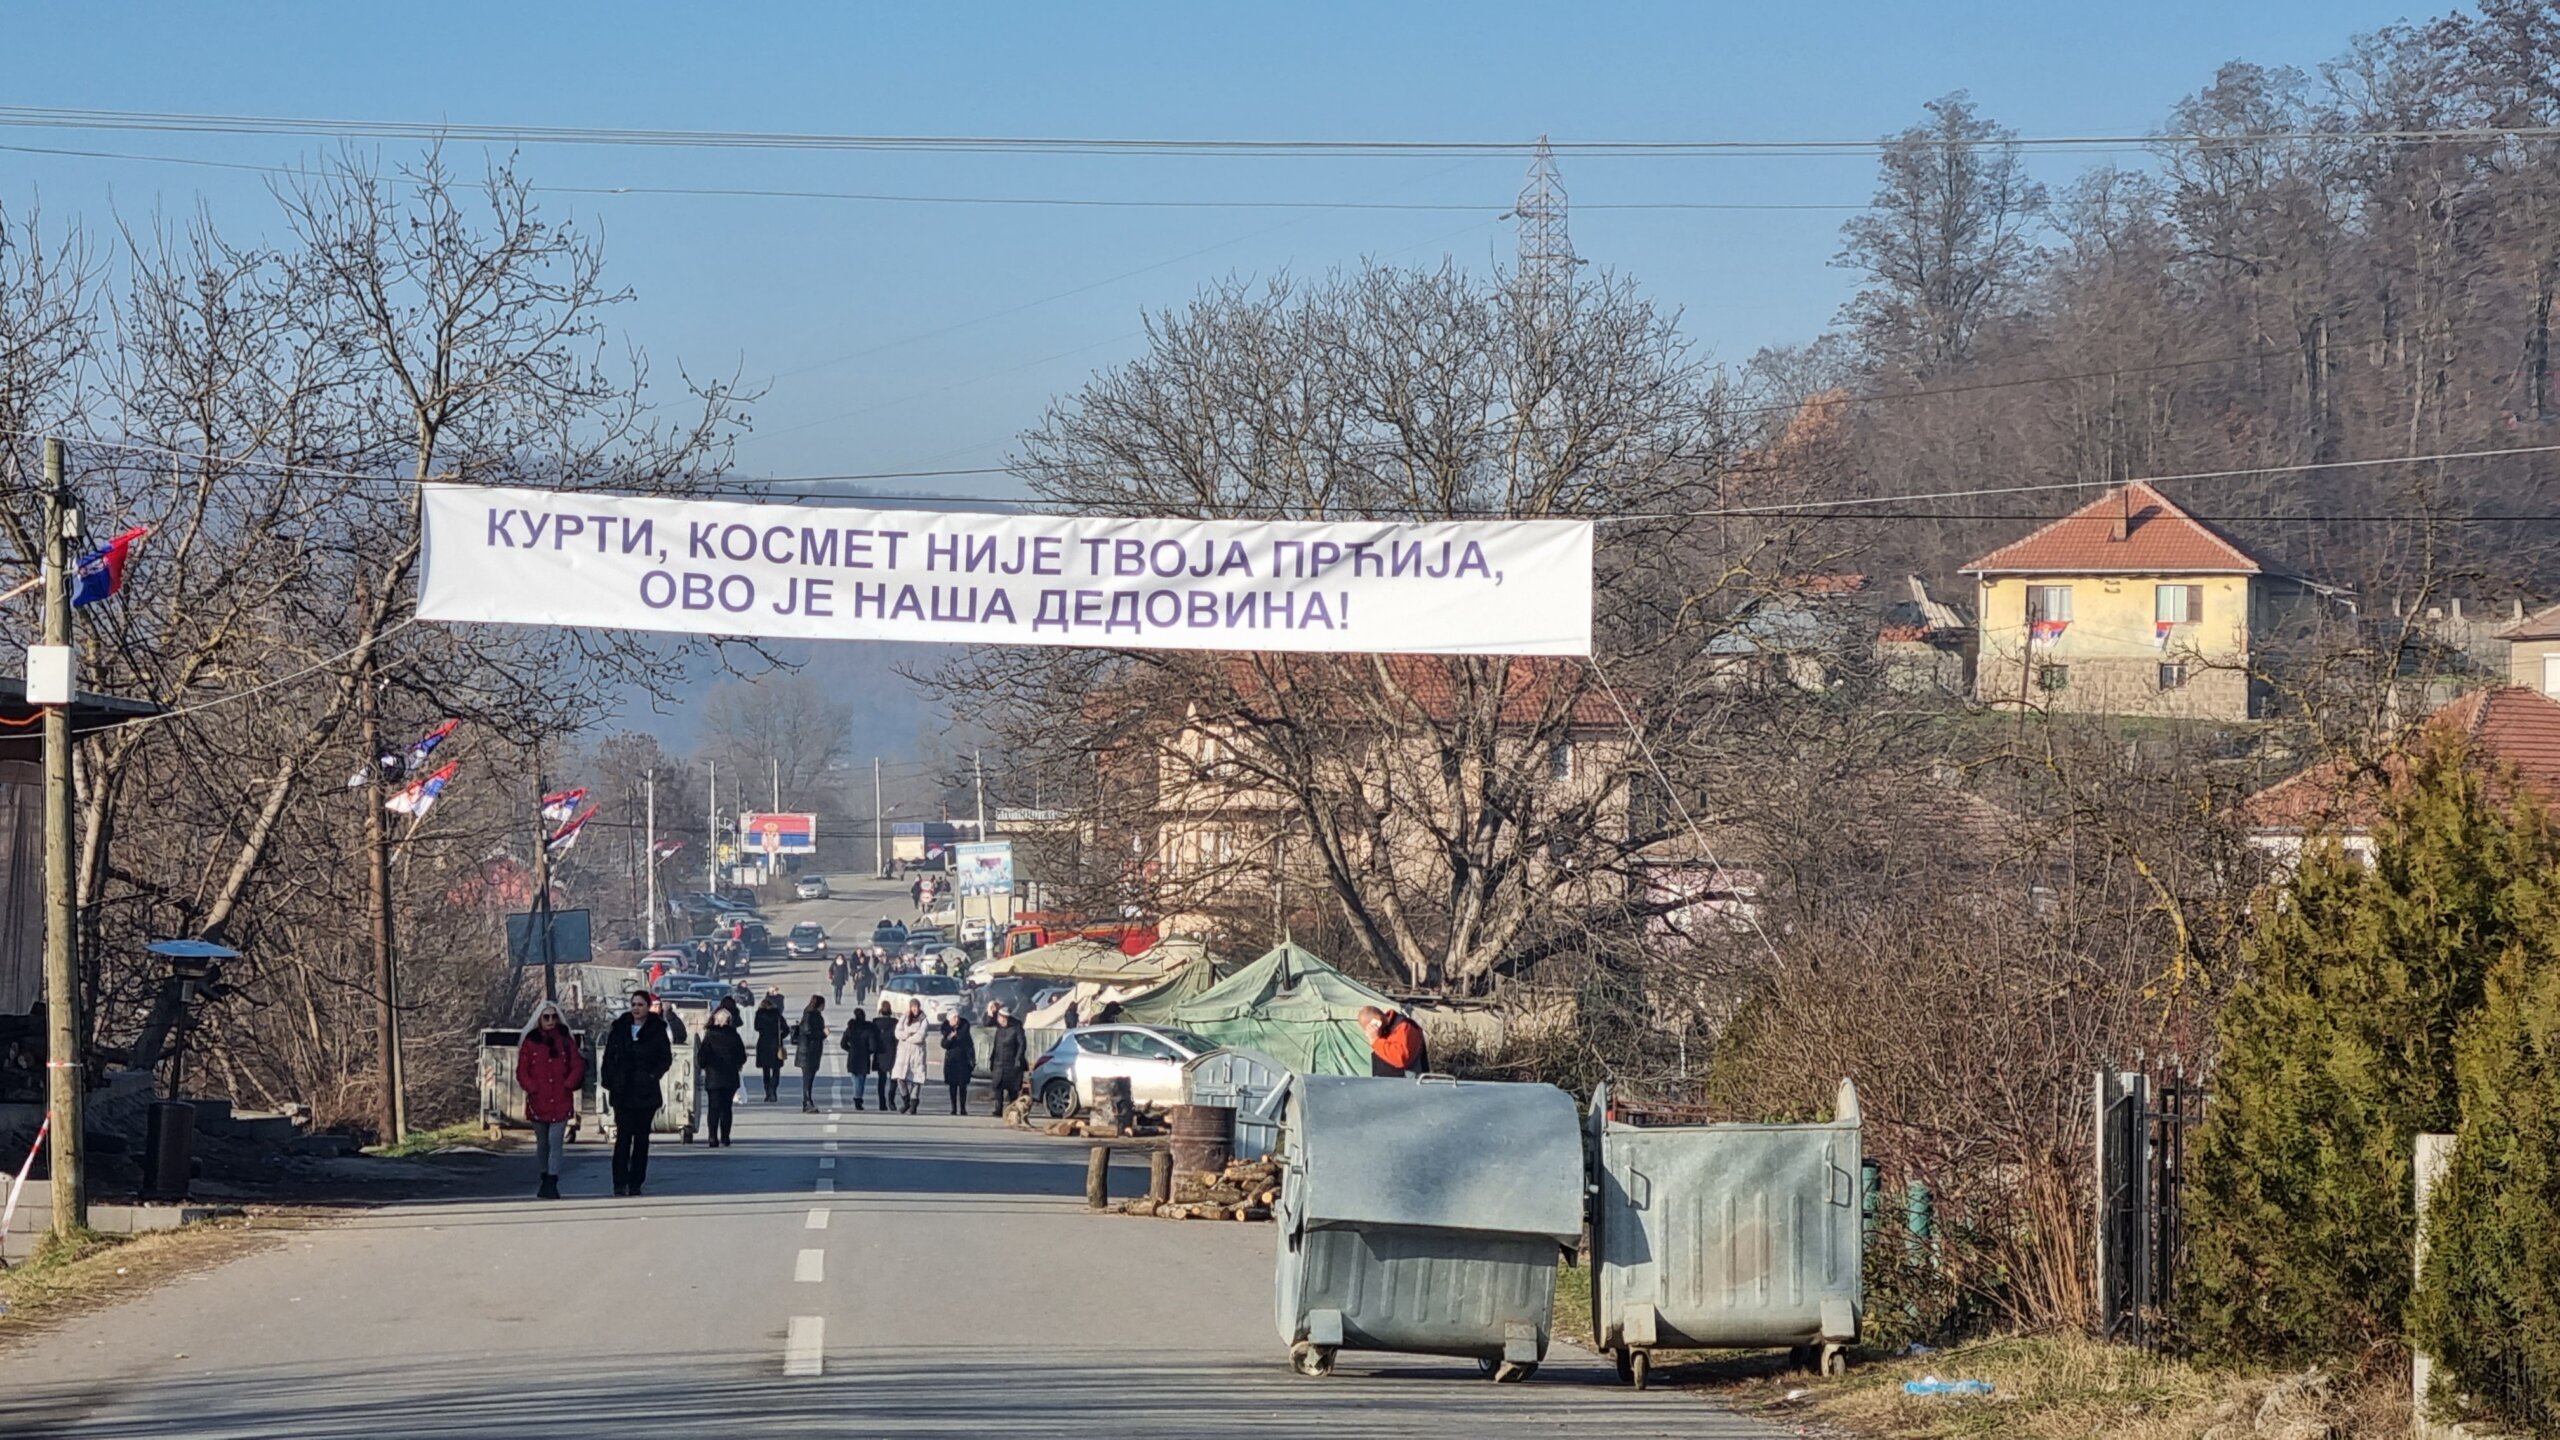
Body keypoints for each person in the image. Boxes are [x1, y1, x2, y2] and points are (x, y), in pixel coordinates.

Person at [600, 989, 674, 1196]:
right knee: (623, 1138)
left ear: (648, 1007)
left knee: (641, 1139)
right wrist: (610, 1081)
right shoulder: (619, 1028)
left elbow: (665, 1058)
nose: (636, 1008)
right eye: (633, 1004)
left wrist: (651, 1075)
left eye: (640, 1005)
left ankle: (636, 1182)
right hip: (622, 1092)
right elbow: (608, 1057)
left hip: (645, 1093)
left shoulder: (657, 1029)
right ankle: (619, 1182)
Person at [514, 999, 584, 1199]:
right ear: (539, 1019)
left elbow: (577, 1065)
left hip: (561, 1099)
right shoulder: (530, 1042)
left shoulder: (566, 1040)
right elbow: (522, 1070)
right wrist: (532, 1088)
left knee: (556, 1142)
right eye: (546, 1017)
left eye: (554, 1017)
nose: (550, 1021)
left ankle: (552, 1180)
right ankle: (544, 1175)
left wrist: (569, 1084)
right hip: (539, 1100)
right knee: (542, 1143)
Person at [696, 1006, 747, 1147]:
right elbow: (742, 1057)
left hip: (714, 1077)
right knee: (726, 1108)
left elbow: (701, 1057)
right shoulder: (734, 1036)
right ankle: (725, 1137)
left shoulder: (709, 1036)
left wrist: (705, 1066)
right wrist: (735, 1064)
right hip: (730, 1077)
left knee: (713, 1108)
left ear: (715, 1020)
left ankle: (712, 1137)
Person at [1359, 1004, 1430, 1078]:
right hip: (1385, 1082)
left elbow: (1400, 1059)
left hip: (1405, 1082)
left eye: (1370, 1027)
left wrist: (1376, 1041)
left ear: (1376, 1021)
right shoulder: (1383, 1031)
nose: (1369, 1031)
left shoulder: (1404, 1026)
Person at [890, 1001, 931, 1115]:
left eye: (916, 1007)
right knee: (900, 1077)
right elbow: (897, 1033)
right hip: (903, 1053)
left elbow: (920, 1036)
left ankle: (913, 1104)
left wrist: (907, 1038)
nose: (915, 1009)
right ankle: (906, 1100)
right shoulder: (904, 1017)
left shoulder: (923, 1020)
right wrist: (908, 1035)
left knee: (916, 1079)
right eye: (913, 1007)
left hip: (917, 1053)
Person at [986, 1006, 1029, 1114]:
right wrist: (990, 1013)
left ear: (1004, 1018)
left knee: (1012, 1089)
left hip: (1012, 1063)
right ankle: (998, 1109)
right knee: (997, 1086)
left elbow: (1022, 1044)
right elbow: (987, 1023)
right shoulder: (999, 1026)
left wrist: (1018, 1058)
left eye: (999, 1017)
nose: (998, 1020)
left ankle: (1012, 1110)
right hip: (998, 1062)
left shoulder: (1016, 1027)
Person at [840, 1002, 880, 1110]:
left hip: (853, 1056)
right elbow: (873, 1046)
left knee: (855, 1078)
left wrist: (850, 1050)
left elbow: (843, 1043)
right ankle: (858, 1098)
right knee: (861, 1078)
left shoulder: (850, 1028)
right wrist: (868, 1052)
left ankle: (857, 1097)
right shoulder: (869, 1029)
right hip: (864, 1057)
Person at [795, 995, 829, 1113]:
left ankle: (807, 1101)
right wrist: (823, 1034)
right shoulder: (809, 1015)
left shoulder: (815, 1015)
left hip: (813, 1050)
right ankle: (807, 1101)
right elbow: (808, 1032)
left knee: (810, 1078)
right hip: (807, 1051)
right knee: (807, 1078)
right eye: (823, 1004)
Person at [939, 1011, 977, 1116]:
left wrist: (972, 1060)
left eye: (958, 1017)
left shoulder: (965, 1029)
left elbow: (970, 1046)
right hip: (951, 1061)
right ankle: (953, 1108)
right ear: (949, 1020)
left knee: (963, 1086)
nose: (957, 1019)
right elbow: (944, 1044)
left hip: (963, 1061)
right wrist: (950, 1038)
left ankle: (963, 1108)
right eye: (954, 1017)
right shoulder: (947, 1030)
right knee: (953, 1086)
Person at [870, 1001, 899, 1111]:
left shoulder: (875, 1023)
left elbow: (873, 1038)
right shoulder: (895, 1023)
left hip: (880, 1053)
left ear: (881, 1011)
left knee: (881, 1080)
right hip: (892, 1052)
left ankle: (882, 1102)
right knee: (893, 1079)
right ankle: (891, 1101)